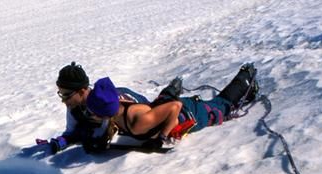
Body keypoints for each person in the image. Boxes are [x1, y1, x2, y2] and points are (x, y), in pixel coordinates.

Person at [83, 63, 259, 152]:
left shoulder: (138, 122)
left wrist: (161, 138)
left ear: (103, 113)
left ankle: (246, 76)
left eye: (92, 111)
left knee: (222, 107)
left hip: (190, 114)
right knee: (162, 103)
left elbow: (175, 106)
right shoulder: (118, 107)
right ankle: (171, 90)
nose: (89, 113)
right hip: (164, 109)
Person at [41, 62, 151, 154]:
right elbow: (72, 131)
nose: (63, 100)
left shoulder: (104, 102)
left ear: (81, 92)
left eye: (66, 95)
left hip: (139, 109)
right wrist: (62, 141)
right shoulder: (74, 106)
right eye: (60, 94)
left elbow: (111, 125)